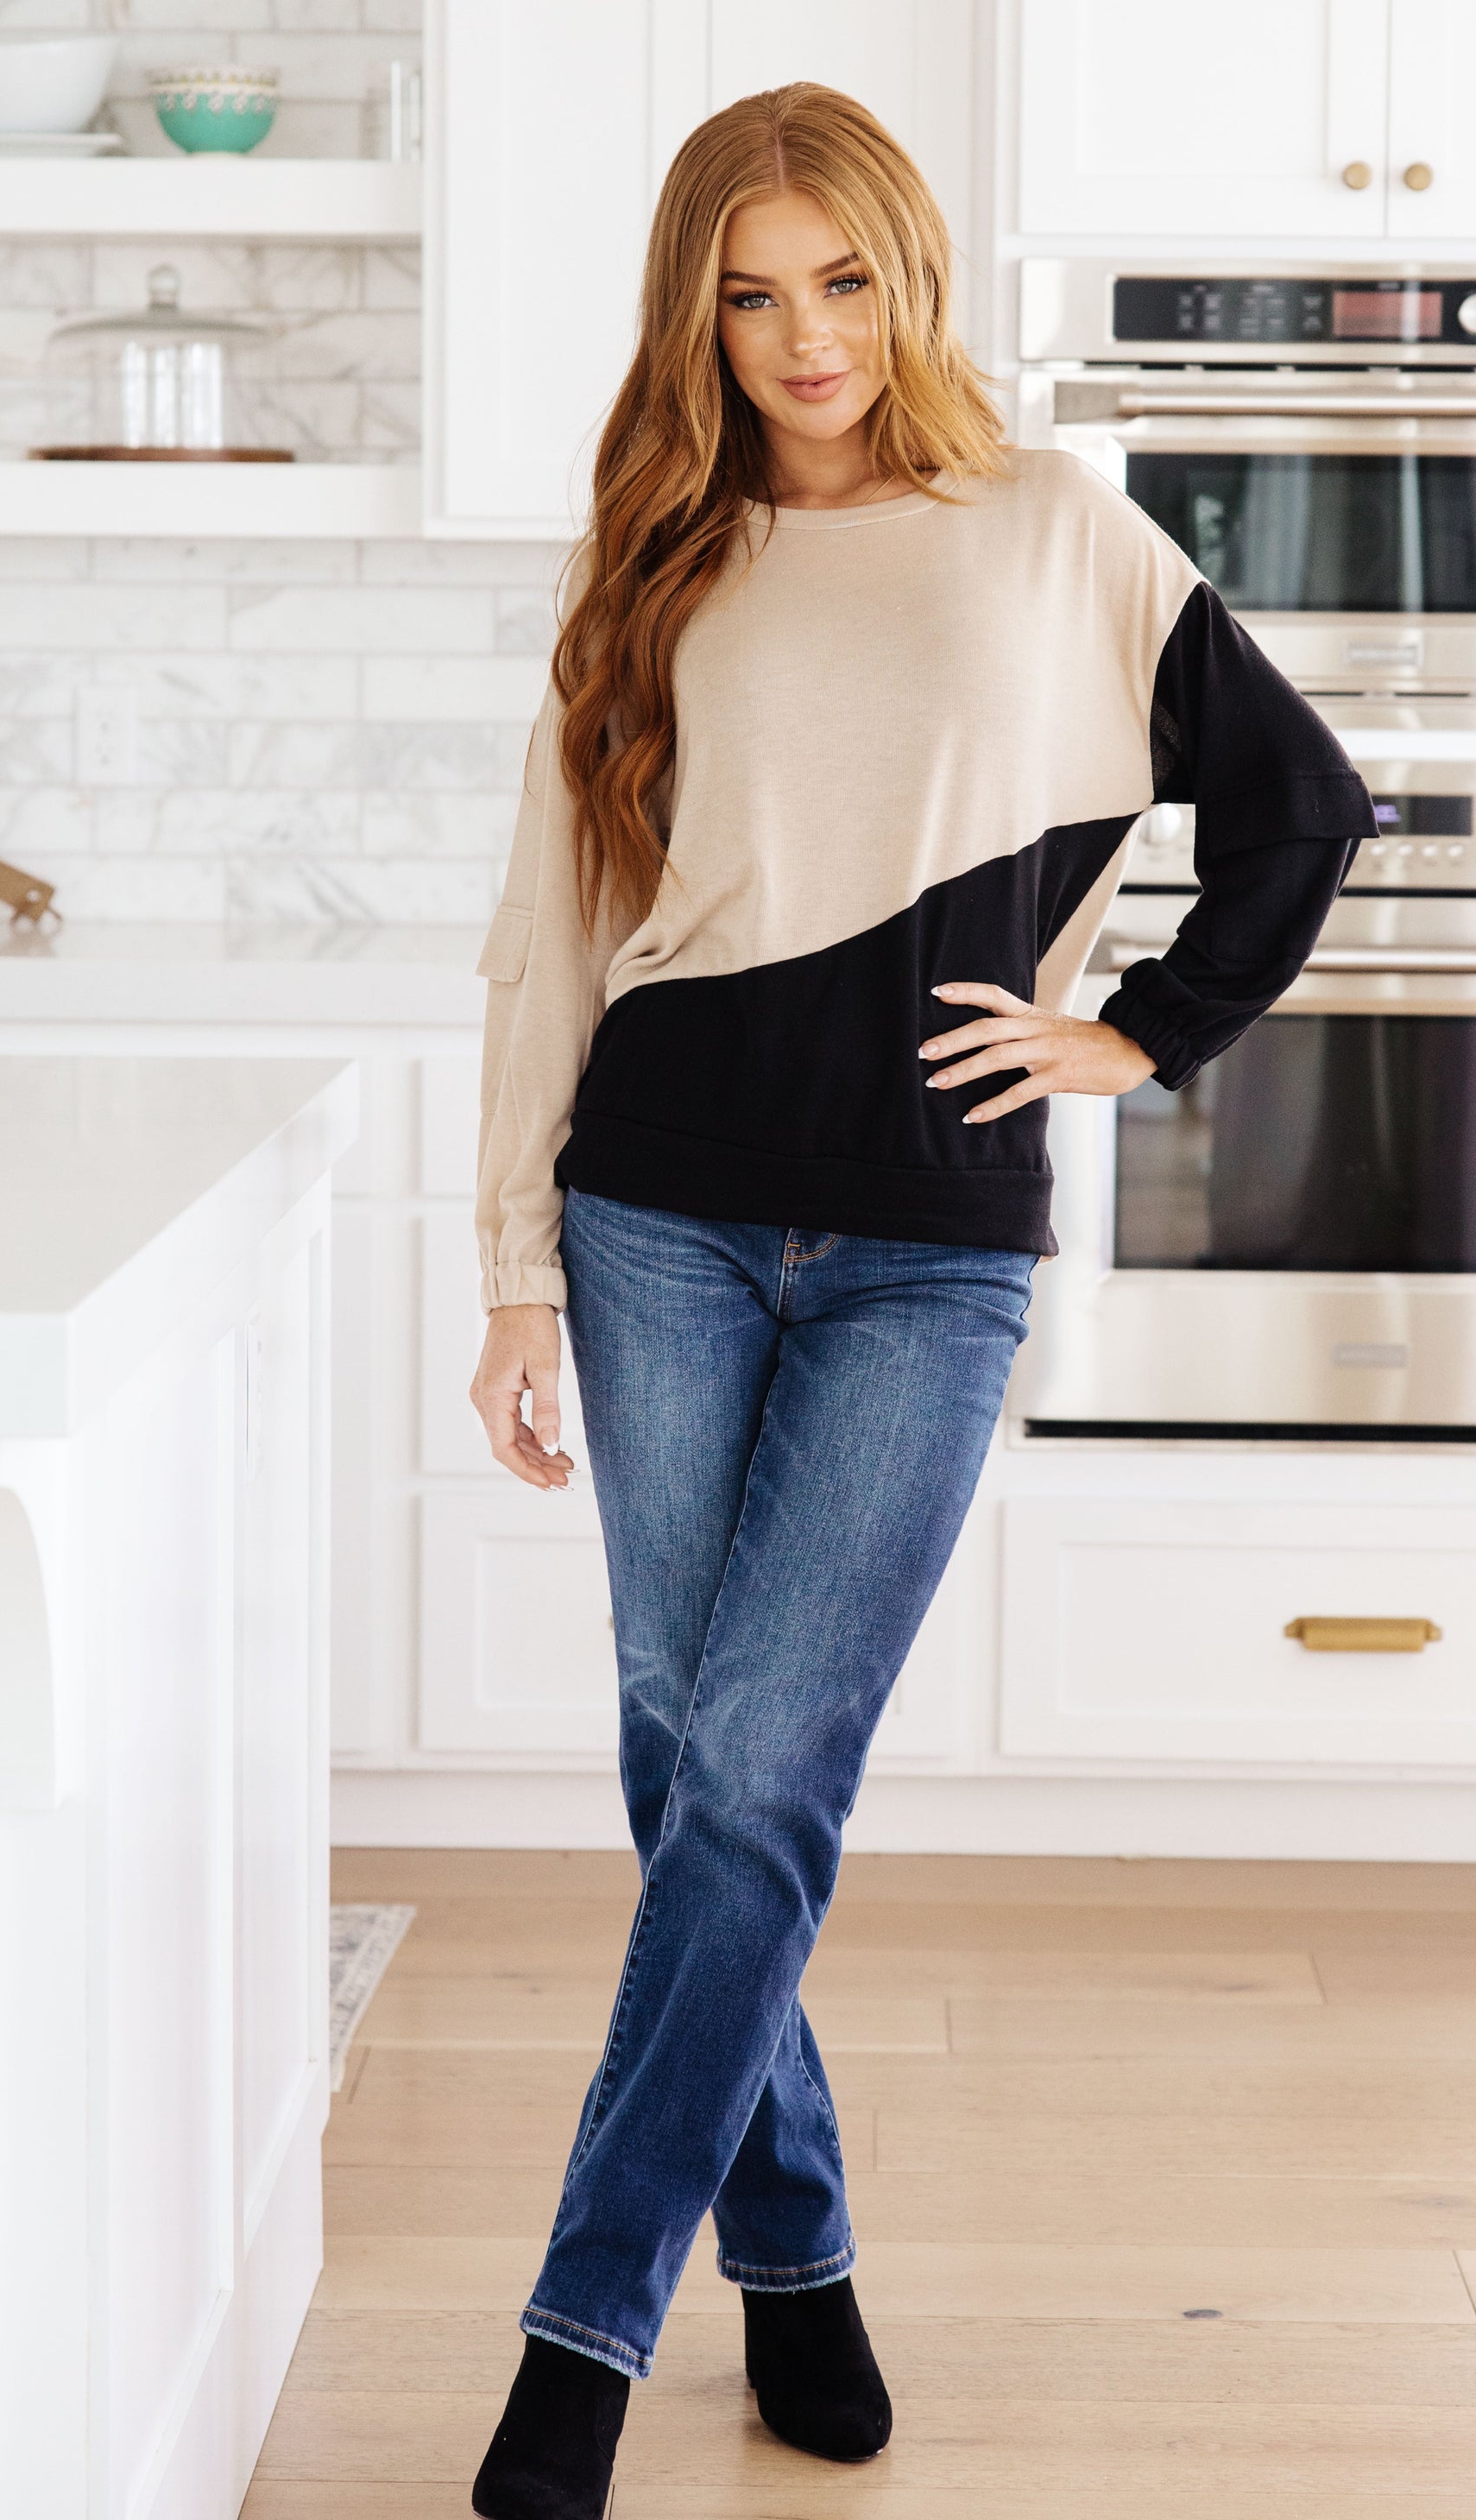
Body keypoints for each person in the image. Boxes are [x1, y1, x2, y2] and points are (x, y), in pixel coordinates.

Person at [466, 80, 1374, 2520]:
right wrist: (511, 1267)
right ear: (694, 307)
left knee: (759, 1762)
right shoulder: (654, 547)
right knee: (688, 1757)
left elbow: (1300, 809)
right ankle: (794, 2252)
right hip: (650, 1212)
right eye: (747, 294)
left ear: (908, 276)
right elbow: (553, 930)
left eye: (839, 280)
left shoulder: (1048, 532)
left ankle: (576, 2335)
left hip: (923, 1250)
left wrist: (1136, 1032)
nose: (798, 339)